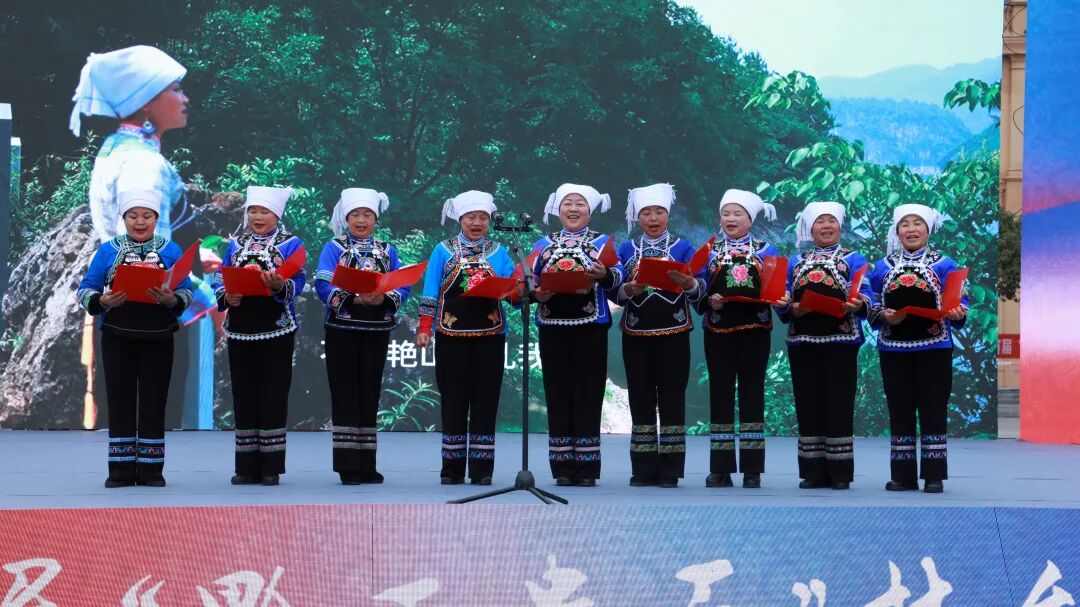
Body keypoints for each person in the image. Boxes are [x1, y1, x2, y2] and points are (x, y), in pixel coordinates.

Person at [76, 190, 194, 487]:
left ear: (156, 218)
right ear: (124, 218)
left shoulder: (170, 250)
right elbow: (86, 288)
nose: (140, 222)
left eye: (147, 216)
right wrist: (103, 300)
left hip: (158, 336)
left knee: (155, 400)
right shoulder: (108, 250)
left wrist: (171, 299)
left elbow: (186, 289)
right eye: (133, 216)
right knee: (119, 400)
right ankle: (120, 471)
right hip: (117, 335)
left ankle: (152, 470)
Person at [416, 191, 516, 486]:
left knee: (486, 400)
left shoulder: (498, 251)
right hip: (450, 335)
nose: (477, 223)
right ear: (460, 219)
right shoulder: (443, 250)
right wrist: (424, 326)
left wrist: (520, 290)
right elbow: (431, 290)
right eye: (471, 217)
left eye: (482, 218)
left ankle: (483, 470)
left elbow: (512, 290)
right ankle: (452, 469)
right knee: (453, 399)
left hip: (490, 335)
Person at [868, 203, 968, 494]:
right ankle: (903, 476)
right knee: (899, 410)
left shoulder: (945, 264)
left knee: (933, 408)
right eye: (905, 224)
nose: (911, 230)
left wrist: (958, 312)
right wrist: (883, 315)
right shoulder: (883, 266)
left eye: (917, 224)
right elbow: (871, 301)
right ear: (897, 231)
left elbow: (961, 300)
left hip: (934, 347)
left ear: (928, 229)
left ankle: (934, 475)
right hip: (893, 348)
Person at [212, 186, 306, 486]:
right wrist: (227, 295)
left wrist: (279, 285)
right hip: (240, 328)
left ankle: (270, 466)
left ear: (276, 214)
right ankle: (245, 466)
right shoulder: (236, 244)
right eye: (252, 211)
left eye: (264, 211)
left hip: (276, 327)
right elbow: (220, 277)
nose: (258, 216)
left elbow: (299, 279)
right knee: (243, 394)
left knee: (273, 394)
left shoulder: (291, 244)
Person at [531, 183, 623, 487]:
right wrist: (536, 293)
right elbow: (527, 281)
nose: (573, 209)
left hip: (590, 327)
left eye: (579, 204)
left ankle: (586, 469)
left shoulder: (602, 244)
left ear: (590, 211)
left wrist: (603, 275)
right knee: (557, 395)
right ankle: (561, 468)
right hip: (553, 327)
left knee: (589, 395)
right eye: (567, 204)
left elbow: (618, 277)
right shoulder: (543, 244)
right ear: (558, 210)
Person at [775, 201, 871, 490]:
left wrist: (857, 304)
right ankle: (813, 471)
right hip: (802, 340)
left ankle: (840, 472)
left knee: (839, 403)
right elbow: (782, 297)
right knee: (807, 403)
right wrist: (789, 306)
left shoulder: (854, 259)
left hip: (841, 340)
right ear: (810, 228)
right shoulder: (796, 261)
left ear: (840, 227)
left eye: (831, 221)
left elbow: (865, 292)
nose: (826, 226)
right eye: (820, 221)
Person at [315, 188, 408, 485]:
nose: (361, 220)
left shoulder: (387, 249)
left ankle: (367, 463)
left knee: (370, 393)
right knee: (345, 393)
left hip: (376, 329)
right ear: (346, 219)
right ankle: (347, 465)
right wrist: (353, 298)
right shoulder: (334, 247)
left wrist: (384, 297)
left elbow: (401, 283)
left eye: (367, 215)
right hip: (342, 328)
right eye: (355, 215)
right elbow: (322, 282)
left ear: (376, 220)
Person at [612, 183, 701, 488]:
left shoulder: (684, 247)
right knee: (640, 399)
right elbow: (615, 290)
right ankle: (643, 468)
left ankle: (671, 470)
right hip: (636, 331)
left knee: (672, 399)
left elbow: (701, 286)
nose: (653, 218)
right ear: (637, 217)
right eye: (646, 213)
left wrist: (689, 284)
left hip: (674, 331)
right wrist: (629, 288)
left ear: (668, 215)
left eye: (659, 212)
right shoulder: (626, 248)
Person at [694, 189, 779, 489]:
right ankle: (720, 469)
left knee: (752, 395)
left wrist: (778, 298)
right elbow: (697, 287)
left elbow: (776, 289)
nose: (730, 219)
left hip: (755, 331)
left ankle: (753, 470)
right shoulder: (709, 251)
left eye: (737, 214)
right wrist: (709, 299)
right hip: (718, 331)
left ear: (750, 220)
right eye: (726, 214)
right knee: (720, 395)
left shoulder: (766, 250)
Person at [71, 45, 191, 242]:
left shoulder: (114, 145)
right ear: (146, 102)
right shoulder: (144, 164)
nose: (185, 99)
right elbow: (143, 252)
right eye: (176, 89)